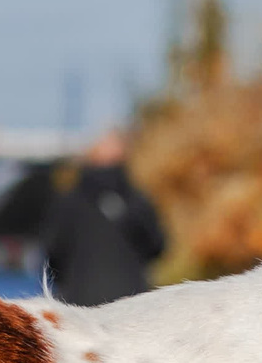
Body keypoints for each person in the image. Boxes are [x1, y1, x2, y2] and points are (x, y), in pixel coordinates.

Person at [38, 129, 166, 306]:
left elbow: (52, 252)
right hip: (130, 301)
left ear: (90, 156)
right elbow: (157, 246)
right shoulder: (137, 200)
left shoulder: (69, 201)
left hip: (79, 301)